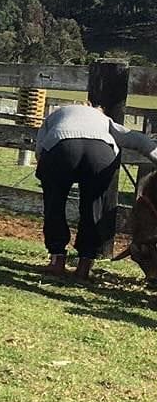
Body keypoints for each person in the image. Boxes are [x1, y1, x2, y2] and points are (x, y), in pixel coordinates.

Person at [34, 103, 157, 279]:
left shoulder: (57, 114)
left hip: (61, 147)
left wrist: (47, 173)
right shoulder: (104, 120)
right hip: (100, 152)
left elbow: (40, 148)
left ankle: (57, 261)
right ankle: (84, 266)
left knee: (55, 203)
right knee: (94, 208)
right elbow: (140, 142)